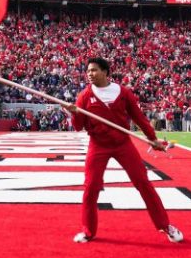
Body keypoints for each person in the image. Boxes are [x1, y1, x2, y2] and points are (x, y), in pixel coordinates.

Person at [68, 57, 183, 244]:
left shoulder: (123, 92)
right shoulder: (84, 96)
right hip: (98, 145)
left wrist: (152, 138)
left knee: (143, 182)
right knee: (91, 186)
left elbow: (138, 117)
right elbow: (78, 127)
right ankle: (88, 230)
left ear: (105, 72)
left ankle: (165, 225)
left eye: (94, 70)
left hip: (123, 144)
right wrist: (74, 114)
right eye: (88, 71)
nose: (90, 74)